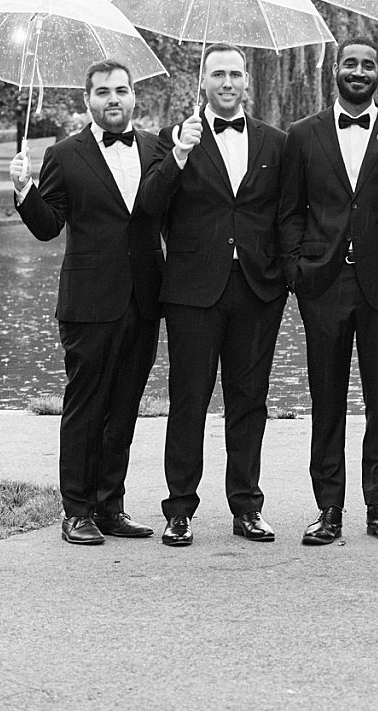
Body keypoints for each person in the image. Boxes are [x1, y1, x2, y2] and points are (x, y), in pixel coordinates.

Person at [139, 45, 292, 545]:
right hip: (192, 293)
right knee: (189, 400)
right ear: (202, 82)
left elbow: (287, 215)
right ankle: (179, 507)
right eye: (217, 74)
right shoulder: (173, 139)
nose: (227, 82)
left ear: (247, 82)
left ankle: (247, 506)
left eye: (235, 74)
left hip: (256, 289)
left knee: (250, 402)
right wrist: (180, 156)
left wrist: (284, 277)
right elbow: (149, 208)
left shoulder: (275, 142)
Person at [9, 61, 166, 545]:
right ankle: (76, 510)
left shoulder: (156, 147)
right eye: (103, 92)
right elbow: (46, 226)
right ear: (88, 100)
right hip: (88, 303)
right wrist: (22, 190)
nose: (113, 99)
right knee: (86, 407)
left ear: (134, 96)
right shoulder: (64, 153)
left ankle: (110, 506)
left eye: (121, 90)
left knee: (123, 409)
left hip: (143, 299)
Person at [276, 40, 378, 544]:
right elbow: (290, 210)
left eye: (369, 65)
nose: (359, 72)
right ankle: (328, 507)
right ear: (336, 71)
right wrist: (297, 269)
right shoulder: (303, 134)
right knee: (327, 397)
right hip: (324, 283)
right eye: (351, 64)